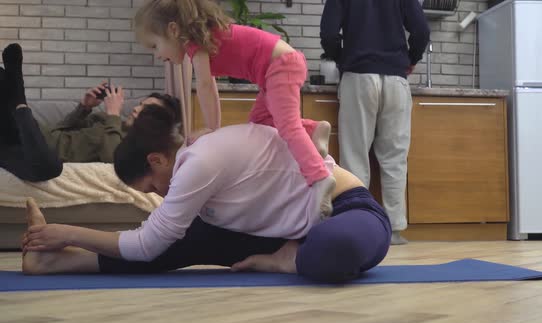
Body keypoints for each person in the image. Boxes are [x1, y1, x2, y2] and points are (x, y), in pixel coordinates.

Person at [21, 103, 392, 283]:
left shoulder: (199, 161)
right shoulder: (192, 164)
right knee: (176, 241)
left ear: (157, 160)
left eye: (151, 186)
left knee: (333, 250)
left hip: (346, 210)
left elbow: (145, 243)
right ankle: (54, 262)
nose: (158, 196)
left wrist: (68, 230)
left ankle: (290, 260)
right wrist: (62, 243)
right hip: (282, 230)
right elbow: (150, 243)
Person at [133, 0, 336, 219]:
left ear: (173, 30)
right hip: (274, 67)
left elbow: (205, 86)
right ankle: (313, 130)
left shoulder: (196, 44)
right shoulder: (203, 38)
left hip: (281, 65)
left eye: (155, 46)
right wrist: (213, 128)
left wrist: (212, 129)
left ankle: (318, 177)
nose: (157, 55)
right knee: (260, 125)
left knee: (287, 126)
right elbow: (209, 86)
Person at [320, 0, 430, 244]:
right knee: (395, 158)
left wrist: (344, 59)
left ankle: (359, 225)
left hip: (357, 77)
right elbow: (421, 31)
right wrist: (411, 59)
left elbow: (328, 34)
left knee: (355, 155)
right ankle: (394, 230)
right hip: (396, 79)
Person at [0, 43, 180, 182]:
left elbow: (113, 160)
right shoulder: (102, 118)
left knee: (47, 167)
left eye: (145, 109)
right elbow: (60, 128)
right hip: (29, 134)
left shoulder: (133, 144)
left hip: (32, 153)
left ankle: (19, 98)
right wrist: (84, 107)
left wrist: (114, 114)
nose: (136, 108)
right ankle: (18, 99)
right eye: (140, 104)